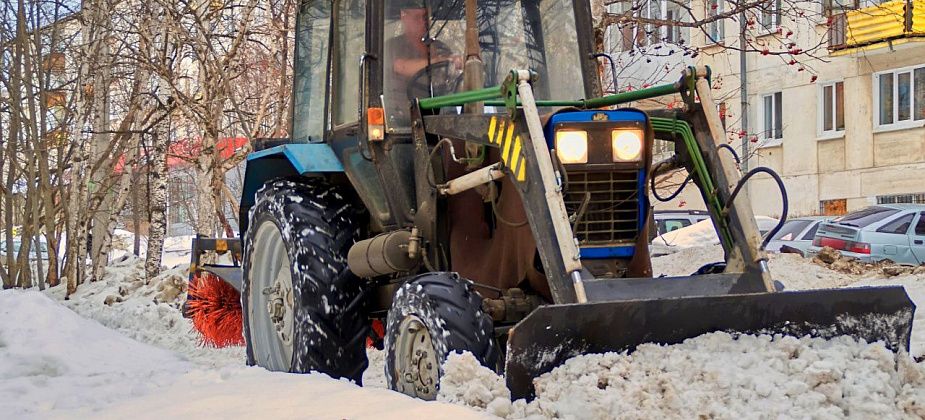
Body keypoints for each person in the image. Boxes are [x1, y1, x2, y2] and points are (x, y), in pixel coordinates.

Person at [384, 5, 462, 125]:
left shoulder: (440, 47)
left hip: (440, 118)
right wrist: (440, 61)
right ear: (403, 16)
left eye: (425, 17)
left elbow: (451, 77)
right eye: (417, 17)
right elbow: (401, 67)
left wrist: (460, 64)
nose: (422, 22)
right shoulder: (393, 46)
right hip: (403, 121)